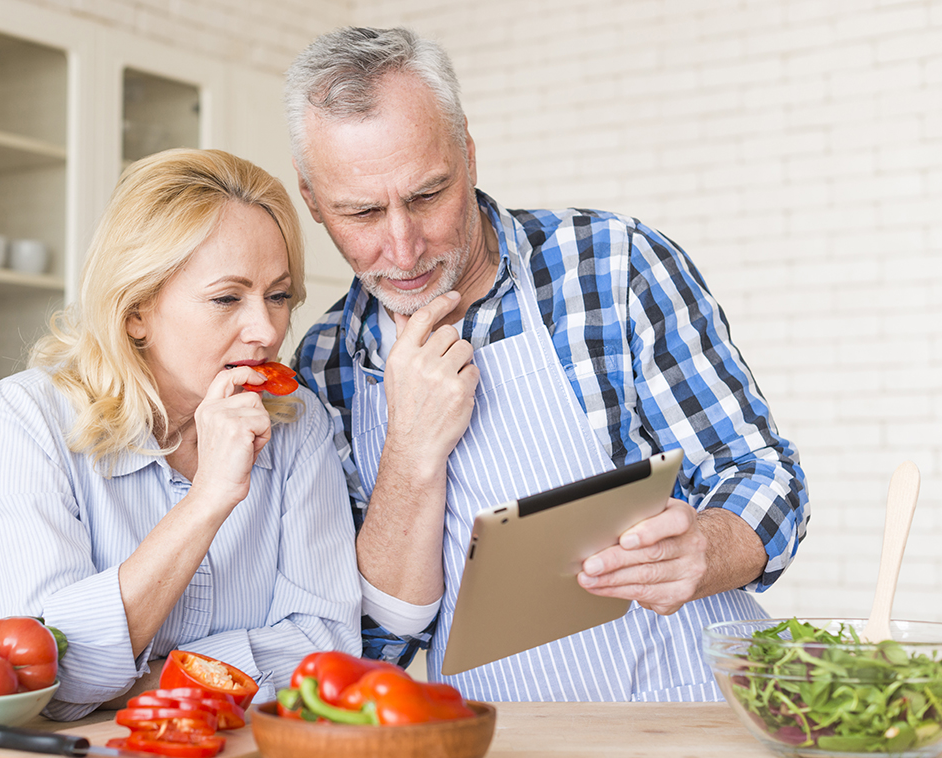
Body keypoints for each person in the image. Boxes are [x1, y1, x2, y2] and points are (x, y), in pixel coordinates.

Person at [286, 27, 810, 701]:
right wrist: (410, 452)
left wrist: (707, 546)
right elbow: (375, 642)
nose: (404, 244)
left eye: (427, 195)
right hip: (500, 747)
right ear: (312, 201)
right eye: (359, 212)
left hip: (697, 709)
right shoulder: (328, 365)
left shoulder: (612, 264)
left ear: (468, 155)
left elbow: (767, 477)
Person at [0, 149, 362, 721]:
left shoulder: (298, 425)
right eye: (228, 298)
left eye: (278, 296)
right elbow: (45, 669)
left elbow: (327, 646)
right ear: (135, 312)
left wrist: (147, 679)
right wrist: (208, 500)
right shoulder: (27, 419)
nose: (267, 329)